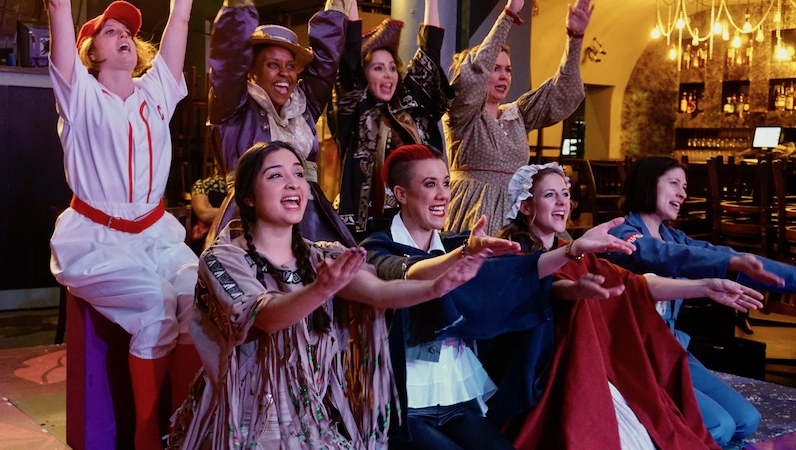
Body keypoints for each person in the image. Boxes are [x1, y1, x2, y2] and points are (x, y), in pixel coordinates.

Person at [168, 141, 489, 449]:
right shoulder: (222, 259)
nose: (293, 183)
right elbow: (263, 316)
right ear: (248, 197)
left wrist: (436, 288)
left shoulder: (319, 257)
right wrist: (321, 289)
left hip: (309, 418)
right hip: (245, 422)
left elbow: (378, 292)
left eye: (298, 173)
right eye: (276, 175)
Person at [360, 144, 636, 449]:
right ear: (401, 194)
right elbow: (408, 271)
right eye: (429, 184)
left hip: (456, 399)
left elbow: (515, 272)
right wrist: (463, 254)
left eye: (446, 183)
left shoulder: (458, 242)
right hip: (402, 405)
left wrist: (573, 249)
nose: (443, 194)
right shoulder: (377, 247)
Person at [498, 162, 764, 449]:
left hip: (613, 359)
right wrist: (576, 289)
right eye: (550, 195)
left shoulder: (581, 253)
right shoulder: (516, 256)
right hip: (560, 372)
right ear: (526, 207)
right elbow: (548, 288)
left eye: (564, 193)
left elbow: (638, 285)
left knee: (743, 420)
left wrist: (706, 287)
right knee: (708, 428)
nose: (562, 202)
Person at [45, 0, 198, 448]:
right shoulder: (79, 94)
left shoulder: (156, 92)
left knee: (195, 297)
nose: (124, 36)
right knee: (154, 304)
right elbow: (58, 12)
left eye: (127, 31)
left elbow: (182, 18)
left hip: (155, 233)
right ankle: (148, 435)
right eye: (110, 32)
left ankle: (183, 427)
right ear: (91, 52)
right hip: (98, 237)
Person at [605, 156, 796, 445]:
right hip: (633, 354)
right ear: (647, 184)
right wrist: (730, 260)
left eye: (684, 186)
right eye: (673, 183)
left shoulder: (675, 236)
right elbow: (665, 256)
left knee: (746, 420)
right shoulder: (622, 234)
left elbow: (726, 260)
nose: (683, 192)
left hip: (672, 347)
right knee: (718, 427)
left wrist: (788, 277)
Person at [208, 0, 354, 246]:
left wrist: (338, 7)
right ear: (251, 70)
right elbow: (228, 60)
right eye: (273, 65)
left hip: (310, 222)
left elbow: (326, 63)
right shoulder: (233, 106)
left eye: (290, 66)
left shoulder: (303, 106)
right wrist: (238, 7)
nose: (284, 73)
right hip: (251, 221)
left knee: (338, 277)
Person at [444, 0, 592, 236]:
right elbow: (474, 76)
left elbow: (562, 92)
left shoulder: (518, 114)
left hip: (520, 217)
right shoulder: (462, 114)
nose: (503, 76)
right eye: (496, 68)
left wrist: (575, 38)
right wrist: (508, 15)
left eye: (508, 69)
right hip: (475, 214)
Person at [333, 0, 454, 239]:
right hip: (369, 226)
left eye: (391, 67)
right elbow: (348, 59)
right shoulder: (355, 110)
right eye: (378, 68)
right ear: (363, 76)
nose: (388, 74)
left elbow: (430, 51)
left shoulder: (409, 104)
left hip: (416, 219)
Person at [190, 171, 227, 253]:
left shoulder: (250, 187)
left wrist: (214, 217)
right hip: (209, 245)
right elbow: (204, 214)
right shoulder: (203, 185)